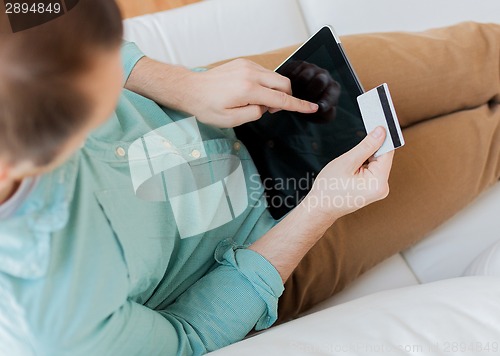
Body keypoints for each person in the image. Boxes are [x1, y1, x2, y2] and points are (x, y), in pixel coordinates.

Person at [0, 1, 498, 355]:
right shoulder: (55, 324)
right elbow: (188, 335)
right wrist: (321, 208)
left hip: (234, 103)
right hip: (273, 242)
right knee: (490, 143)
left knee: (479, 53)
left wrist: (176, 81)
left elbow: (28, 13)